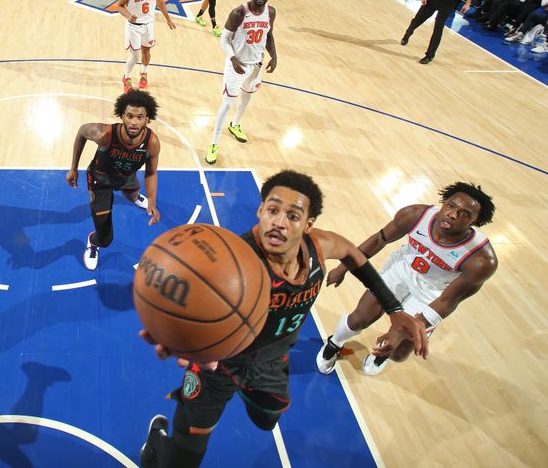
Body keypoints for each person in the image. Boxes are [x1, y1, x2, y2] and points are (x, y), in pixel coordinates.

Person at [138, 170, 429, 468]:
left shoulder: (320, 246)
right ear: (260, 211)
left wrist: (394, 309)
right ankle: (157, 444)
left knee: (267, 421)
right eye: (272, 210)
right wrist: (186, 341)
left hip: (271, 363)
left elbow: (354, 255)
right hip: (220, 366)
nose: (278, 221)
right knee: (183, 462)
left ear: (308, 225)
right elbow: (192, 304)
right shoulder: (234, 265)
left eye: (292, 215)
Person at [316, 182, 497, 377]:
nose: (453, 214)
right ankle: (334, 343)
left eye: (464, 214)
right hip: (401, 269)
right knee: (360, 318)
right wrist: (344, 266)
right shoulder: (415, 214)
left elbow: (448, 301)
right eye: (451, 206)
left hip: (432, 292)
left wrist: (409, 328)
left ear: (475, 222)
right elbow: (379, 239)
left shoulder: (481, 260)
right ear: (444, 202)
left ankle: (383, 353)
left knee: (399, 353)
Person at [66, 91, 161, 271]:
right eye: (129, 116)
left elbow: (150, 173)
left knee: (133, 193)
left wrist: (152, 202)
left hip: (126, 176)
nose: (134, 122)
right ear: (122, 116)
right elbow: (81, 132)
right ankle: (93, 243)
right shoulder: (104, 134)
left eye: (139, 117)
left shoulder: (152, 143)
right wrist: (73, 168)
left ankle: (134, 197)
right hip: (100, 181)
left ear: (147, 119)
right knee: (106, 239)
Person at [205, 0, 277, 165]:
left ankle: (235, 125)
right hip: (237, 65)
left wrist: (274, 56)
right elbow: (224, 39)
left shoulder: (270, 12)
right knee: (227, 104)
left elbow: (269, 35)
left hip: (256, 64)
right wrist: (233, 58)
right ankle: (214, 144)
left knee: (247, 97)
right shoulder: (239, 12)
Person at [117, 0, 176, 94]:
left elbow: (160, 3)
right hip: (134, 26)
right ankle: (127, 77)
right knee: (136, 56)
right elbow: (119, 6)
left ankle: (144, 73)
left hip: (149, 25)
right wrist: (128, 15)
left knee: (147, 52)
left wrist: (168, 19)